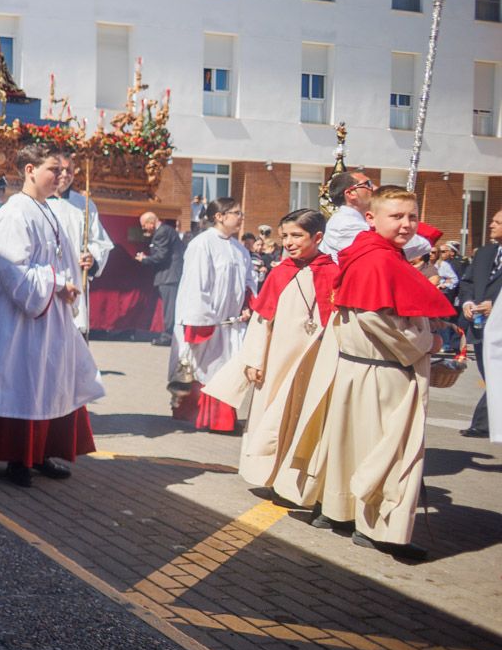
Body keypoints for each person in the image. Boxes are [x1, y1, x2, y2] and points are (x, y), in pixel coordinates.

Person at [270, 187, 448, 560]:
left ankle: (338, 512)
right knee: (389, 454)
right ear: (372, 218)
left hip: (358, 369)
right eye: (396, 216)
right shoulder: (377, 260)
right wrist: (423, 344)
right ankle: (380, 527)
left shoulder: (369, 253)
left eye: (411, 216)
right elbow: (373, 318)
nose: (406, 224)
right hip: (383, 371)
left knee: (348, 448)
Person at [0, 142, 103, 487]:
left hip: (49, 317)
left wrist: (70, 277)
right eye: (53, 170)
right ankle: (19, 458)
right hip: (19, 321)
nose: (61, 176)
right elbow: (11, 269)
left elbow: (56, 260)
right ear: (30, 170)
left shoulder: (49, 209)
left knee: (48, 384)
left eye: (63, 170)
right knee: (22, 383)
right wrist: (58, 282)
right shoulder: (16, 212)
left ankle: (41, 452)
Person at [205, 209, 338, 489]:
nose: (289, 242)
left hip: (314, 358)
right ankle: (267, 475)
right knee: (270, 416)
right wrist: (254, 360)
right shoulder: (280, 273)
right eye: (285, 236)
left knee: (306, 417)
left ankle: (295, 481)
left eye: (296, 236)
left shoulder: (332, 272)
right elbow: (261, 320)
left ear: (318, 237)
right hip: (277, 358)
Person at [169, 197, 257, 432]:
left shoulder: (239, 249)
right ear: (219, 216)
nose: (241, 217)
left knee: (228, 369)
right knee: (211, 369)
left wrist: (248, 304)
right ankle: (211, 419)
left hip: (232, 321)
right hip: (210, 320)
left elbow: (249, 281)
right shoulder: (202, 244)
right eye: (236, 212)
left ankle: (221, 418)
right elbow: (196, 285)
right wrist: (201, 320)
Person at [48, 152, 112, 336]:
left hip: (75, 279)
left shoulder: (84, 204)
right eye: (59, 170)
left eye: (69, 170)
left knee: (73, 337)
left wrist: (91, 258)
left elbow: (99, 241)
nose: (65, 175)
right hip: (48, 278)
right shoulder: (38, 201)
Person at [457, 209, 502, 437]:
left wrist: (497, 308)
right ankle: (486, 423)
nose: (491, 225)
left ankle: (483, 424)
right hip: (480, 326)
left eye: (497, 222)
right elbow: (468, 282)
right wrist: (467, 302)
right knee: (491, 377)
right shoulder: (485, 253)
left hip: (499, 327)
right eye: (492, 220)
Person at [134, 209, 182, 347]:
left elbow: (161, 256)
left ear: (151, 222)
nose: (143, 229)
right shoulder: (166, 231)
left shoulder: (162, 232)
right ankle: (169, 335)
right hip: (170, 276)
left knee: (169, 308)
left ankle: (168, 337)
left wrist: (144, 259)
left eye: (144, 225)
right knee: (170, 307)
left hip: (169, 277)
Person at [321, 170, 375, 260]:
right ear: (351, 194)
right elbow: (380, 254)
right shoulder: (347, 225)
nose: (373, 188)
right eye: (367, 184)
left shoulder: (352, 220)